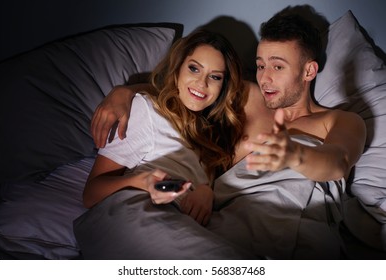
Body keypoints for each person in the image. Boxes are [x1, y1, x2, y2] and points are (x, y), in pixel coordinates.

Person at [82, 11, 367, 259]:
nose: (265, 77)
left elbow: (338, 161)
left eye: (278, 67)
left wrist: (295, 154)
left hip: (299, 229)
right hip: (226, 226)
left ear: (309, 71)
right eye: (260, 65)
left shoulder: (339, 120)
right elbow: (188, 90)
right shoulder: (247, 96)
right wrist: (123, 93)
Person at [74, 29, 254, 259]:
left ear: (223, 87)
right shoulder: (147, 111)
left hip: (177, 223)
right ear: (178, 68)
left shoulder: (211, 138)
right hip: (134, 214)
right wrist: (141, 182)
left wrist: (206, 191)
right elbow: (90, 194)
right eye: (194, 68)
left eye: (215, 76)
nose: (202, 82)